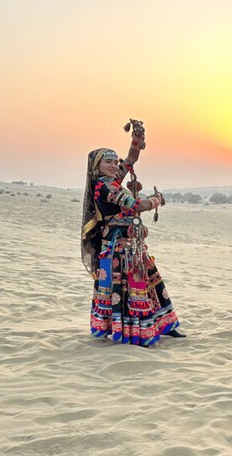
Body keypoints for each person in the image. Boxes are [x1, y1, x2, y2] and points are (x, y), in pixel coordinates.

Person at [80, 121, 183, 346]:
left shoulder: (114, 179)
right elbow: (135, 205)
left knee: (149, 282)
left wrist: (136, 141)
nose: (114, 165)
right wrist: (156, 200)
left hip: (132, 244)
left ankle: (162, 324)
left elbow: (130, 160)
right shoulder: (105, 187)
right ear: (97, 166)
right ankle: (133, 332)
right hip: (119, 247)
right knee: (129, 286)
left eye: (114, 161)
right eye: (108, 162)